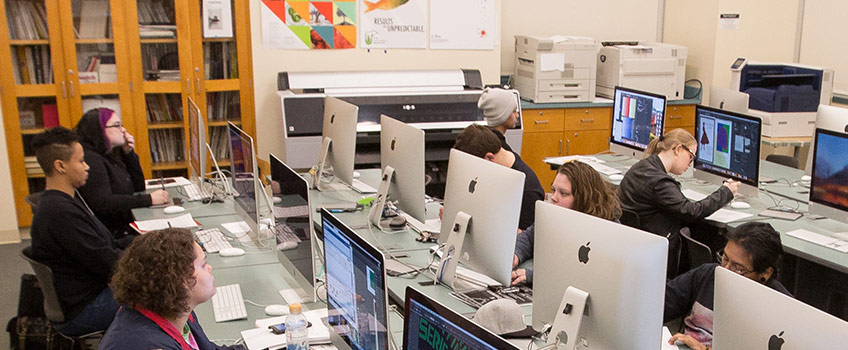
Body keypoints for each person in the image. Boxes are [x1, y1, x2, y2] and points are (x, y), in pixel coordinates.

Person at [29, 126, 121, 336]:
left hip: (85, 294)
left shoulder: (64, 201)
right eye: (81, 161)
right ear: (60, 166)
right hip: (84, 309)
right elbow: (109, 262)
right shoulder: (60, 213)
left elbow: (105, 245)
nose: (87, 167)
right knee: (167, 295)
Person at [617, 128, 739, 276]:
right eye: (691, 157)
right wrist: (726, 192)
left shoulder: (642, 167)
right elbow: (692, 211)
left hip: (636, 249)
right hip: (657, 255)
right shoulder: (659, 182)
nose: (690, 164)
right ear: (678, 149)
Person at [99, 228, 244, 350]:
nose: (209, 268)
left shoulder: (177, 311)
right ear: (179, 280)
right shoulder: (150, 345)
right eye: (202, 264)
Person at [664, 222, 790, 350]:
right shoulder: (708, 274)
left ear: (765, 273)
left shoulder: (781, 308)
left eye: (737, 268)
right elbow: (660, 304)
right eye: (724, 258)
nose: (725, 269)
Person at [511, 161, 620, 285]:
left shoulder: (608, 230)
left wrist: (533, 276)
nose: (554, 197)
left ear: (583, 198)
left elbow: (583, 275)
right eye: (553, 190)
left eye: (563, 193)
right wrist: (516, 254)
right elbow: (530, 237)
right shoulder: (556, 213)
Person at [75, 108, 169, 239]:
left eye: (121, 125)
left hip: (124, 226)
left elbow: (138, 186)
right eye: (117, 125)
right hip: (114, 234)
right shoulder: (91, 159)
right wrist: (150, 199)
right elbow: (103, 202)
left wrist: (129, 153)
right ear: (99, 130)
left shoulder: (109, 153)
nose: (123, 130)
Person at [454, 124, 544, 230]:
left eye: (474, 168)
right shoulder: (494, 154)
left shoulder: (528, 192)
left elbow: (526, 240)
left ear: (490, 158)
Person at [477, 87, 519, 152]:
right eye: (514, 111)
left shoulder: (482, 141)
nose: (517, 115)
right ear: (502, 115)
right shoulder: (502, 151)